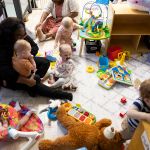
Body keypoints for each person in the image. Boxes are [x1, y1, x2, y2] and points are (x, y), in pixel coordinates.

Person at [0, 17, 73, 100]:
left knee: (45, 63)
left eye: (23, 34)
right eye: (19, 36)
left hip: (24, 62)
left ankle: (33, 83)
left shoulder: (22, 36)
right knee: (34, 83)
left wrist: (26, 55)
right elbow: (5, 72)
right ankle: (62, 95)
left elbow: (35, 47)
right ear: (9, 36)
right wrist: (26, 81)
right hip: (11, 73)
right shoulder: (3, 46)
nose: (22, 37)